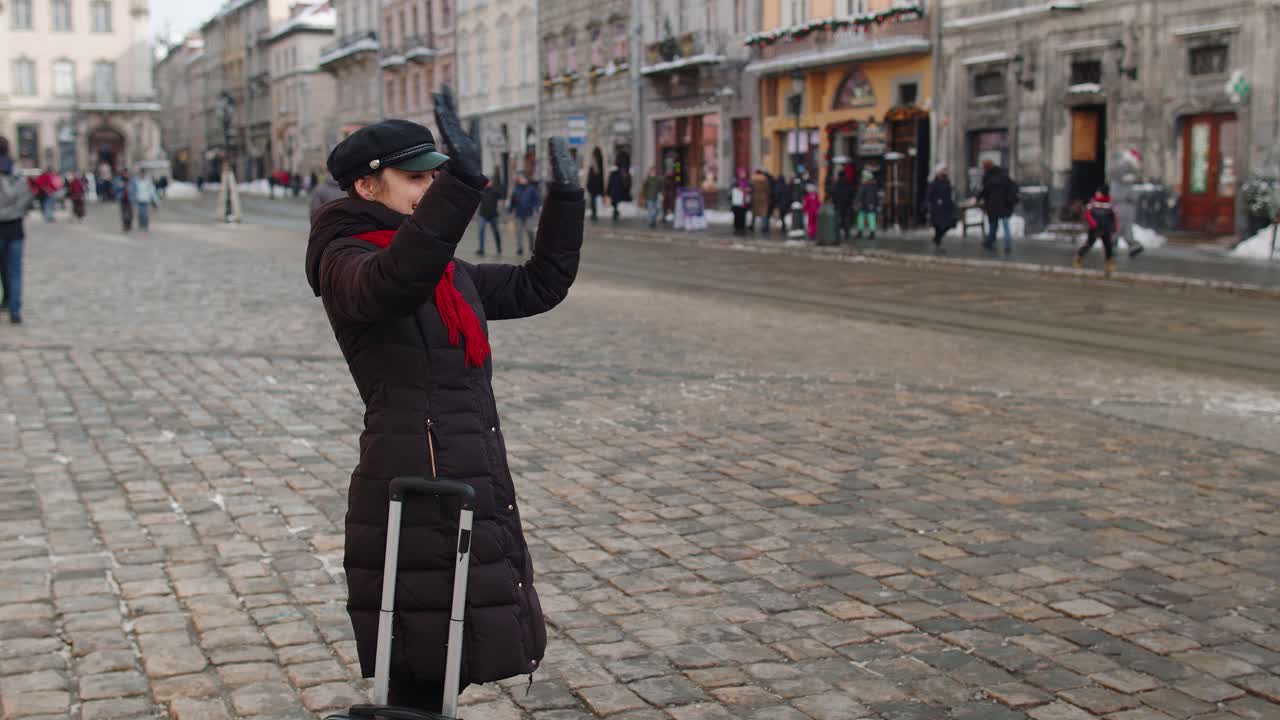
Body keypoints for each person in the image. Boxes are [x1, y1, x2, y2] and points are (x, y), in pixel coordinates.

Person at [304, 89, 584, 713]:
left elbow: (541, 283)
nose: (428, 188)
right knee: (419, 655)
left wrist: (567, 199)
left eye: (435, 176)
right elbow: (392, 284)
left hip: (467, 470)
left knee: (455, 649)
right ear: (367, 187)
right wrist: (460, 186)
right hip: (412, 480)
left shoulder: (444, 270)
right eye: (416, 178)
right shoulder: (345, 259)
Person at [0, 137, 32, 324]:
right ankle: (15, 309)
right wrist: (13, 212)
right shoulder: (17, 172)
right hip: (14, 228)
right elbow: (26, 199)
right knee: (15, 271)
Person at [1075, 184, 1118, 275]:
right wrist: (1094, 224)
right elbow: (1088, 214)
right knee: (1089, 244)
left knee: (1108, 246)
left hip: (1105, 228)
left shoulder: (1110, 202)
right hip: (1095, 228)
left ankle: (1108, 264)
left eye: (1099, 192)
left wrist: (1114, 227)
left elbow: (1114, 216)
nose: (1097, 193)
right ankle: (1078, 257)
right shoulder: (1093, 201)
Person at [978, 159, 1018, 254]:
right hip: (1002, 205)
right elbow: (1013, 186)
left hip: (994, 205)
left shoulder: (988, 177)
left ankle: (991, 242)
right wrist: (1010, 200)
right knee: (1003, 226)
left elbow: (985, 191)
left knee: (994, 225)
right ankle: (1006, 245)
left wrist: (978, 198)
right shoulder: (1002, 174)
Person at [925, 164, 956, 254]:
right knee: (938, 226)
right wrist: (930, 204)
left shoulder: (947, 181)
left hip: (946, 208)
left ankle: (936, 241)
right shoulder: (934, 183)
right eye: (942, 170)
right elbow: (929, 195)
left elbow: (950, 193)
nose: (944, 172)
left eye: (944, 170)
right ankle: (937, 243)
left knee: (947, 225)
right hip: (937, 209)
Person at [508, 171, 541, 255]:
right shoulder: (516, 189)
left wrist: (536, 208)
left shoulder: (531, 189)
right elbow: (512, 201)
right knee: (519, 232)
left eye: (522, 178)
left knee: (529, 231)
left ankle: (532, 246)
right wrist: (510, 209)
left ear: (526, 179)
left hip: (528, 213)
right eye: (520, 178)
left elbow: (537, 200)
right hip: (518, 214)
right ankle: (520, 248)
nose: (521, 180)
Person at [476, 175, 504, 256]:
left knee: (496, 232)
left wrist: (500, 186)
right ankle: (481, 249)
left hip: (493, 215)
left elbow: (501, 195)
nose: (488, 183)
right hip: (483, 214)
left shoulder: (495, 191)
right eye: (487, 181)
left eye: (490, 181)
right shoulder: (482, 191)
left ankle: (498, 247)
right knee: (481, 231)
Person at [854, 168, 880, 241]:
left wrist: (856, 202)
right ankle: (869, 232)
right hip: (869, 204)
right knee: (868, 218)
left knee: (864, 218)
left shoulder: (864, 185)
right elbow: (876, 196)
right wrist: (877, 204)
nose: (862, 178)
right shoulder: (873, 185)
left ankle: (863, 232)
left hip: (865, 204)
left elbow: (859, 195)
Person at [831, 165, 855, 243]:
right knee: (846, 220)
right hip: (847, 204)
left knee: (838, 219)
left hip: (838, 205)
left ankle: (837, 234)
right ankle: (846, 234)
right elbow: (851, 193)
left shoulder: (836, 184)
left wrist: (834, 202)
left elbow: (833, 194)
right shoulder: (848, 183)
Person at [730, 169, 750, 236]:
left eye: (744, 173)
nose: (743, 175)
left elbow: (751, 188)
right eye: (742, 173)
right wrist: (739, 188)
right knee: (737, 215)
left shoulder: (747, 182)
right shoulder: (735, 182)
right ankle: (737, 227)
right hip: (737, 203)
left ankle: (742, 227)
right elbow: (732, 190)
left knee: (743, 215)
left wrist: (748, 189)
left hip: (744, 202)